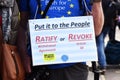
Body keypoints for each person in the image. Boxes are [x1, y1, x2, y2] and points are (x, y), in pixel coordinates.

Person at [18, 0, 104, 80]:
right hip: (39, 66)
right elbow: (22, 26)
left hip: (74, 67)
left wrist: (97, 2)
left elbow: (96, 31)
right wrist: (23, 55)